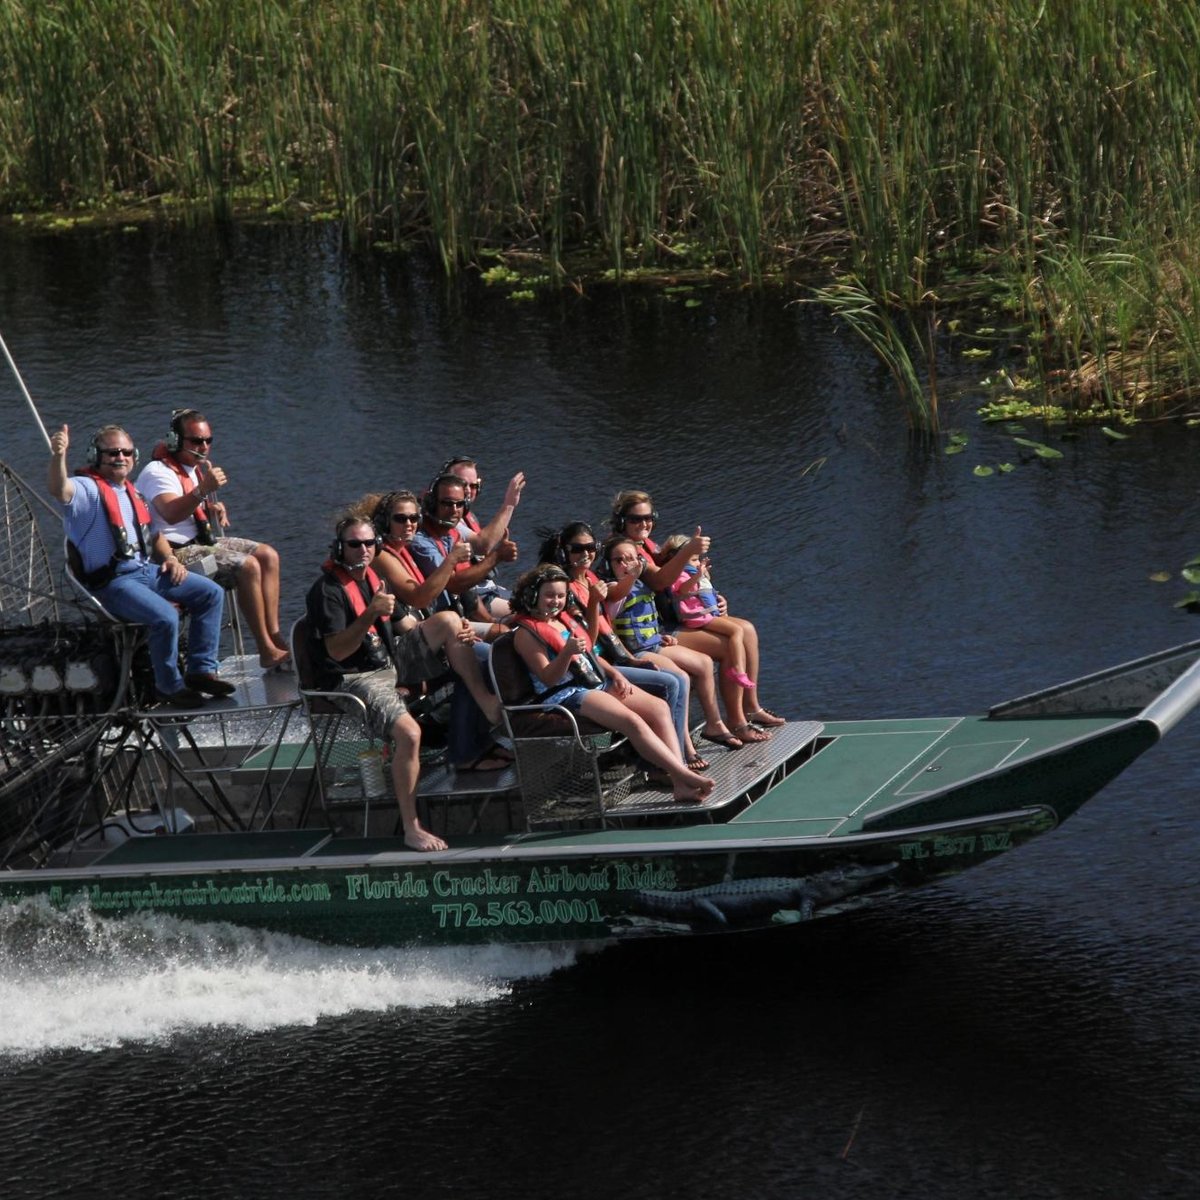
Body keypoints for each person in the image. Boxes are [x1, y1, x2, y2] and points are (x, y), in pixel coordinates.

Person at [48, 422, 230, 708]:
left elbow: (154, 536)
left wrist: (170, 558)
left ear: (135, 457)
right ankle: (169, 686)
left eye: (127, 452)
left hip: (146, 572)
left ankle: (201, 670)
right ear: (95, 455)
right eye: (112, 453)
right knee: (165, 618)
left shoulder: (133, 493)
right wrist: (59, 456)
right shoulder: (86, 489)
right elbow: (60, 490)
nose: (120, 457)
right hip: (114, 583)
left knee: (210, 594)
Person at [511, 563, 714, 804]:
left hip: (593, 679)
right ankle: (683, 774)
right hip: (566, 693)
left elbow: (589, 656)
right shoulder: (526, 634)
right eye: (549, 595)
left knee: (659, 708)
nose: (556, 601)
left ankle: (680, 783)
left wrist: (615, 674)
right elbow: (548, 677)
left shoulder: (563, 621)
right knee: (632, 721)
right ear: (532, 595)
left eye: (561, 595)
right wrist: (566, 653)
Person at [304, 516, 447, 852]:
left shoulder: (374, 580)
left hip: (386, 662)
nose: (363, 550)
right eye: (355, 544)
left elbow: (407, 626)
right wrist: (369, 613)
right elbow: (337, 651)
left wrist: (455, 638)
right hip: (352, 678)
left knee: (449, 624)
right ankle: (411, 827)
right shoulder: (327, 592)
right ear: (341, 548)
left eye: (369, 544)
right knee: (410, 734)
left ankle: (478, 747)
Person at [608, 489, 784, 741]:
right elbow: (659, 581)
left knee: (746, 629)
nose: (644, 523)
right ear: (622, 520)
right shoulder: (624, 552)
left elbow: (678, 581)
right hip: (659, 629)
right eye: (636, 519)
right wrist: (687, 549)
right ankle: (736, 722)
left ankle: (751, 707)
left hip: (676, 616)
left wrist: (713, 600)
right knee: (726, 646)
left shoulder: (649, 546)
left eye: (649, 518)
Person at [539, 522, 709, 770]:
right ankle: (665, 763)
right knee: (671, 681)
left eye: (591, 547)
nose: (586, 554)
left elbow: (617, 599)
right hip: (593, 669)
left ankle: (674, 758)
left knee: (675, 679)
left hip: (614, 659)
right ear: (565, 551)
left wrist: (631, 577)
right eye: (578, 549)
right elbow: (588, 643)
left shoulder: (590, 578)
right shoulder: (567, 591)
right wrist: (595, 603)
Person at [362, 490, 509, 772]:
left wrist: (460, 630)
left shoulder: (405, 550)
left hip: (418, 641)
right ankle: (475, 731)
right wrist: (451, 561)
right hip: (390, 659)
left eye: (414, 518)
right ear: (384, 522)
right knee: (452, 627)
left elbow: (427, 610)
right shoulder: (380, 556)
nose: (409, 525)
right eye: (400, 518)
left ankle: (471, 744)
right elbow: (418, 598)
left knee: (486, 656)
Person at [136, 408, 291, 671]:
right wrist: (203, 490)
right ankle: (265, 650)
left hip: (200, 542)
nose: (204, 447)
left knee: (268, 555)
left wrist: (209, 508)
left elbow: (189, 506)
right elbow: (171, 513)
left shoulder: (192, 469)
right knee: (248, 566)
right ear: (175, 441)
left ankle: (275, 637)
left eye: (208, 441)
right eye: (196, 441)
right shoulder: (157, 472)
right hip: (174, 553)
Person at [602, 535, 749, 750]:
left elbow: (648, 616)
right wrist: (630, 578)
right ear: (609, 565)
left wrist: (660, 635)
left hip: (653, 643)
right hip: (635, 653)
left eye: (632, 559)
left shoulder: (642, 584)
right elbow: (615, 605)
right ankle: (685, 746)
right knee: (680, 677)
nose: (627, 564)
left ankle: (714, 724)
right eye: (619, 561)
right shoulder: (613, 589)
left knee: (705, 663)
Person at [408, 474, 518, 622]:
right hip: (441, 623)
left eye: (459, 504)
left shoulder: (451, 534)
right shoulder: (421, 540)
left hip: (461, 616)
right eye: (447, 503)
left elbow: (468, 592)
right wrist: (497, 556)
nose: (454, 510)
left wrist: (492, 624)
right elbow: (454, 584)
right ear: (432, 504)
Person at [658, 532, 755, 689]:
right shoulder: (678, 575)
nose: (697, 563)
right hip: (697, 619)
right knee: (736, 631)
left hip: (705, 615)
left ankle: (747, 694)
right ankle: (738, 670)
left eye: (698, 559)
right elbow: (683, 590)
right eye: (694, 560)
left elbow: (705, 592)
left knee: (744, 629)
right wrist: (697, 576)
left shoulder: (690, 572)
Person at [439, 456, 525, 618]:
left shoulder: (469, 516)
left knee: (537, 599)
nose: (469, 491)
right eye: (463, 484)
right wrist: (509, 504)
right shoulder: (448, 519)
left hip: (490, 588)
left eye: (474, 485)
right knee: (530, 613)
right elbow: (483, 544)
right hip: (476, 597)